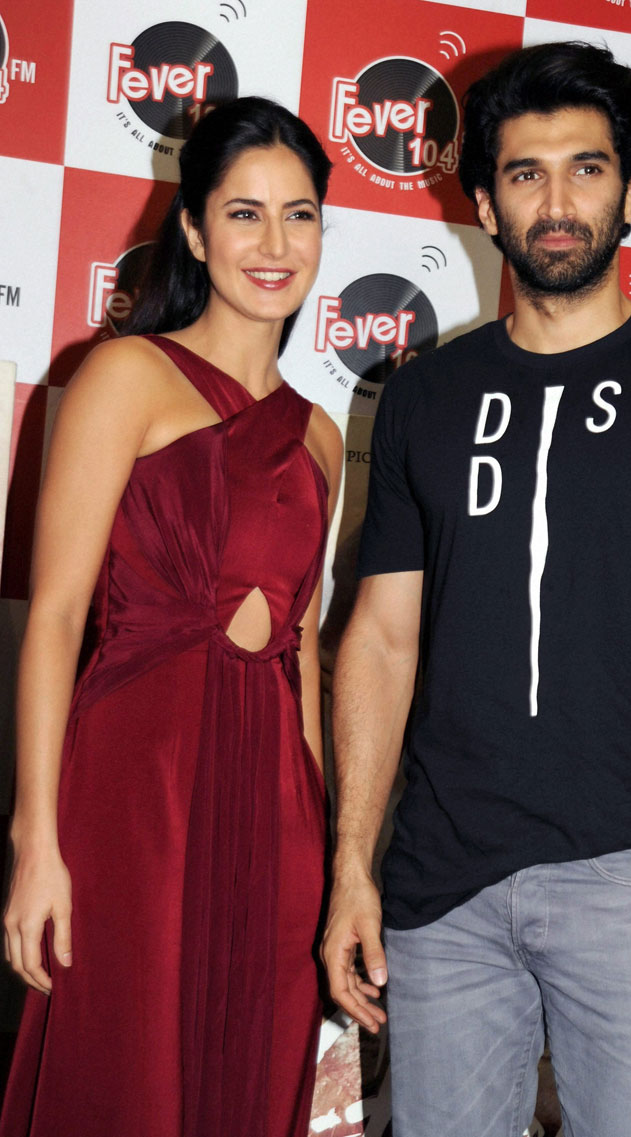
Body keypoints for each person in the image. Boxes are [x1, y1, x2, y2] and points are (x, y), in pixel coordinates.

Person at [321, 42, 631, 1137]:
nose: (556, 203)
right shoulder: (423, 400)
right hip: (441, 883)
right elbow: (381, 642)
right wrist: (351, 866)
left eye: (586, 169)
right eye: (524, 173)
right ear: (486, 206)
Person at [1, 96, 341, 1137]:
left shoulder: (323, 438)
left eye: (298, 214)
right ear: (193, 230)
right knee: (129, 1069)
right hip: (136, 789)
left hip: (276, 808)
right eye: (244, 213)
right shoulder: (124, 377)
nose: (274, 244)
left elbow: (301, 652)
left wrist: (323, 843)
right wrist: (36, 839)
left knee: (251, 1073)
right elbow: (57, 618)